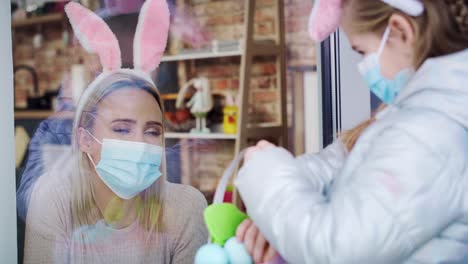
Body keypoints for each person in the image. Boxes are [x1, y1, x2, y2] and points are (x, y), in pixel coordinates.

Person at [235, 0, 468, 263]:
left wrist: (268, 183)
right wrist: (285, 193)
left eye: (362, 51)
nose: (364, 68)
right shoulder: (425, 114)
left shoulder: (430, 132)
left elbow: (337, 250)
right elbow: (349, 162)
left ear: (401, 31)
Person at [24, 1, 207, 263]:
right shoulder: (53, 198)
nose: (140, 144)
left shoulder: (187, 208)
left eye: (153, 132)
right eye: (122, 128)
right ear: (84, 139)